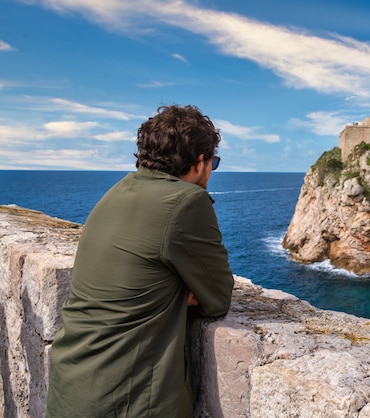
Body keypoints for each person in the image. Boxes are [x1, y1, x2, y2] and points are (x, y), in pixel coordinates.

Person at [46, 105, 234, 417]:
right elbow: (218, 298)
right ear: (200, 161)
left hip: (71, 388)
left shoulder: (116, 192)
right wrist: (178, 294)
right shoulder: (188, 202)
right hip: (125, 400)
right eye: (213, 162)